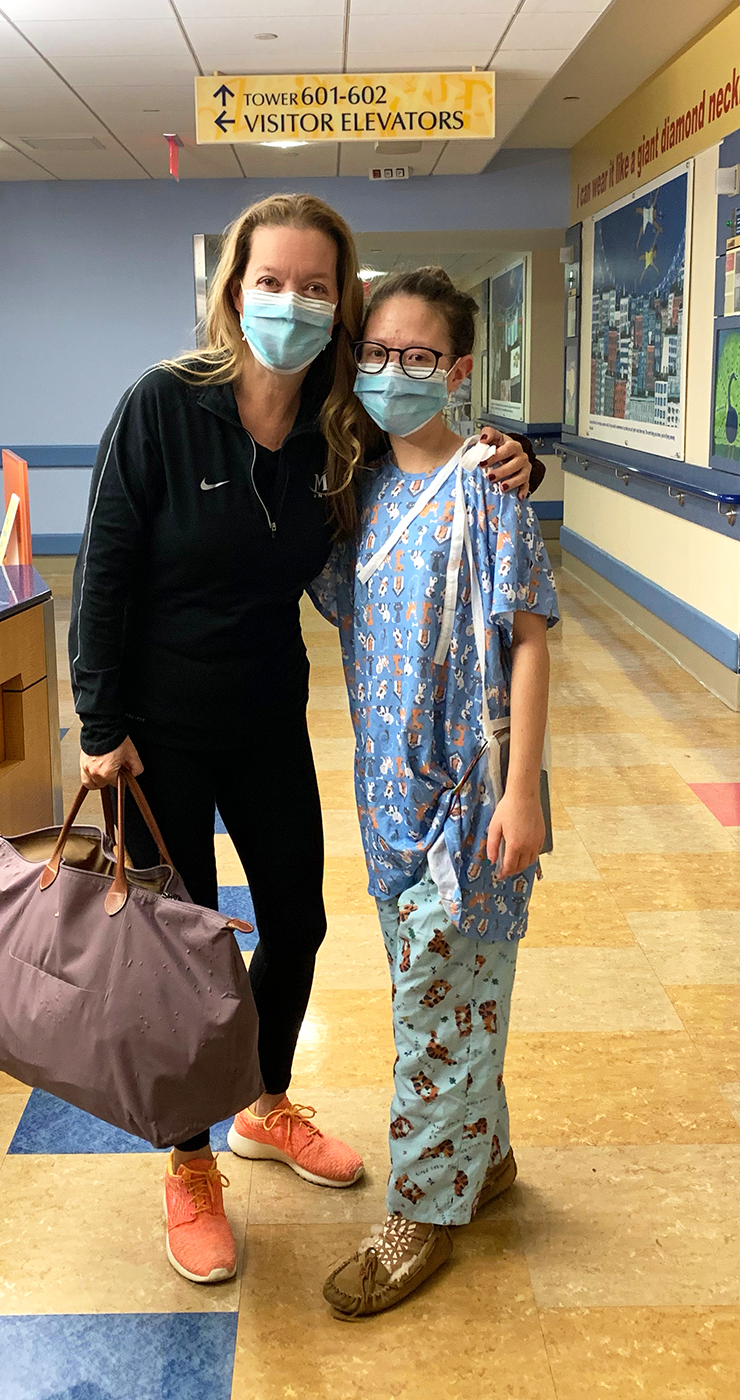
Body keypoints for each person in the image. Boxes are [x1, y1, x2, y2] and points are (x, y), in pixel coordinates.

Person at [69, 195, 544, 1288]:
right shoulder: (164, 405)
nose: (291, 302)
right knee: (184, 950)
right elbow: (103, 564)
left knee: (297, 918)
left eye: (316, 286)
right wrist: (101, 724)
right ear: (235, 286)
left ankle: (265, 1101)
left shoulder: (344, 423)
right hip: (158, 733)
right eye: (270, 280)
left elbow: (446, 473)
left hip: (267, 715)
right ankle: (190, 1163)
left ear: (342, 305)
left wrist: (511, 457)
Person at [310, 266, 559, 1318]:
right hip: (387, 797)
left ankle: (423, 1208)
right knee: (452, 991)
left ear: (458, 370)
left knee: (433, 1003)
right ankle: (484, 1154)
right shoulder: (361, 492)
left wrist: (521, 791)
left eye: (419, 358)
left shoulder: (487, 484)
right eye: (376, 354)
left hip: (472, 796)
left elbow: (530, 637)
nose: (394, 373)